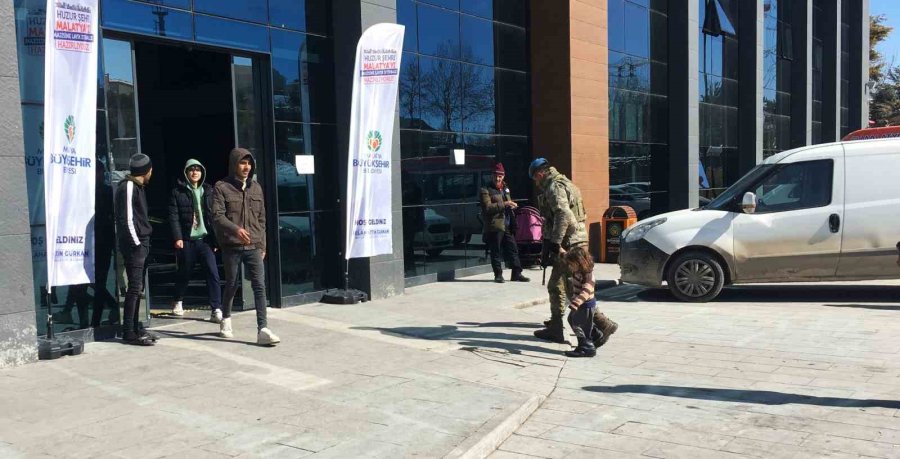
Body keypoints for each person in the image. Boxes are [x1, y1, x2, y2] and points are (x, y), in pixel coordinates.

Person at [528, 157, 618, 346]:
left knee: (561, 286)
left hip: (568, 244)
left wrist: (555, 243)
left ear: (540, 174)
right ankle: (572, 325)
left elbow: (562, 214)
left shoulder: (554, 186)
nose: (536, 183)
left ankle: (596, 325)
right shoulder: (566, 182)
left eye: (535, 178)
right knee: (568, 286)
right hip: (577, 240)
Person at [211, 147, 280, 346]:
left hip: (254, 245)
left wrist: (263, 245)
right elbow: (217, 216)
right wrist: (235, 230)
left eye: (249, 163)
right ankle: (226, 318)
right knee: (232, 283)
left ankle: (262, 329)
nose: (246, 167)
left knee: (259, 285)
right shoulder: (222, 187)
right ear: (234, 164)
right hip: (231, 246)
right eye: (242, 163)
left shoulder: (256, 188)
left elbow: (262, 219)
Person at [168, 159, 222, 322]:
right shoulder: (177, 192)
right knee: (185, 272)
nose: (195, 172)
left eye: (198, 169)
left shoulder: (208, 190)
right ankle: (178, 300)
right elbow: (173, 216)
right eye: (191, 169)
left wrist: (216, 240)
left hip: (205, 240)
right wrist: (178, 237)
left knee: (212, 273)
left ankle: (216, 308)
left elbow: (214, 216)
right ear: (186, 173)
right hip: (187, 239)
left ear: (202, 172)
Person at [114, 153, 157, 345]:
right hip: (135, 245)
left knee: (138, 288)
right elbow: (126, 219)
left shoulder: (138, 187)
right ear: (147, 171)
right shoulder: (128, 186)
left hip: (142, 242)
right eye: (150, 170)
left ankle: (135, 327)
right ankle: (128, 333)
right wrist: (137, 245)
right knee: (134, 288)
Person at [479, 163, 529, 283]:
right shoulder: (485, 189)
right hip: (495, 224)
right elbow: (487, 208)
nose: (498, 178)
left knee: (513, 249)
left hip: (507, 223)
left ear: (504, 176)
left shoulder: (505, 188)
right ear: (492, 175)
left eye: (500, 176)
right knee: (496, 250)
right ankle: (498, 275)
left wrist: (511, 205)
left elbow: (507, 202)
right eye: (495, 175)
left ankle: (517, 273)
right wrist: (505, 204)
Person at [564, 247, 612, 358]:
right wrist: (559, 249)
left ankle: (586, 348)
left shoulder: (587, 275)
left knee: (578, 325)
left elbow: (586, 291)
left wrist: (576, 302)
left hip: (585, 305)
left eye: (571, 264)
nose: (570, 267)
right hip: (581, 305)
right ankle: (595, 335)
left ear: (579, 262)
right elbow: (565, 255)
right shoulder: (577, 271)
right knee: (572, 320)